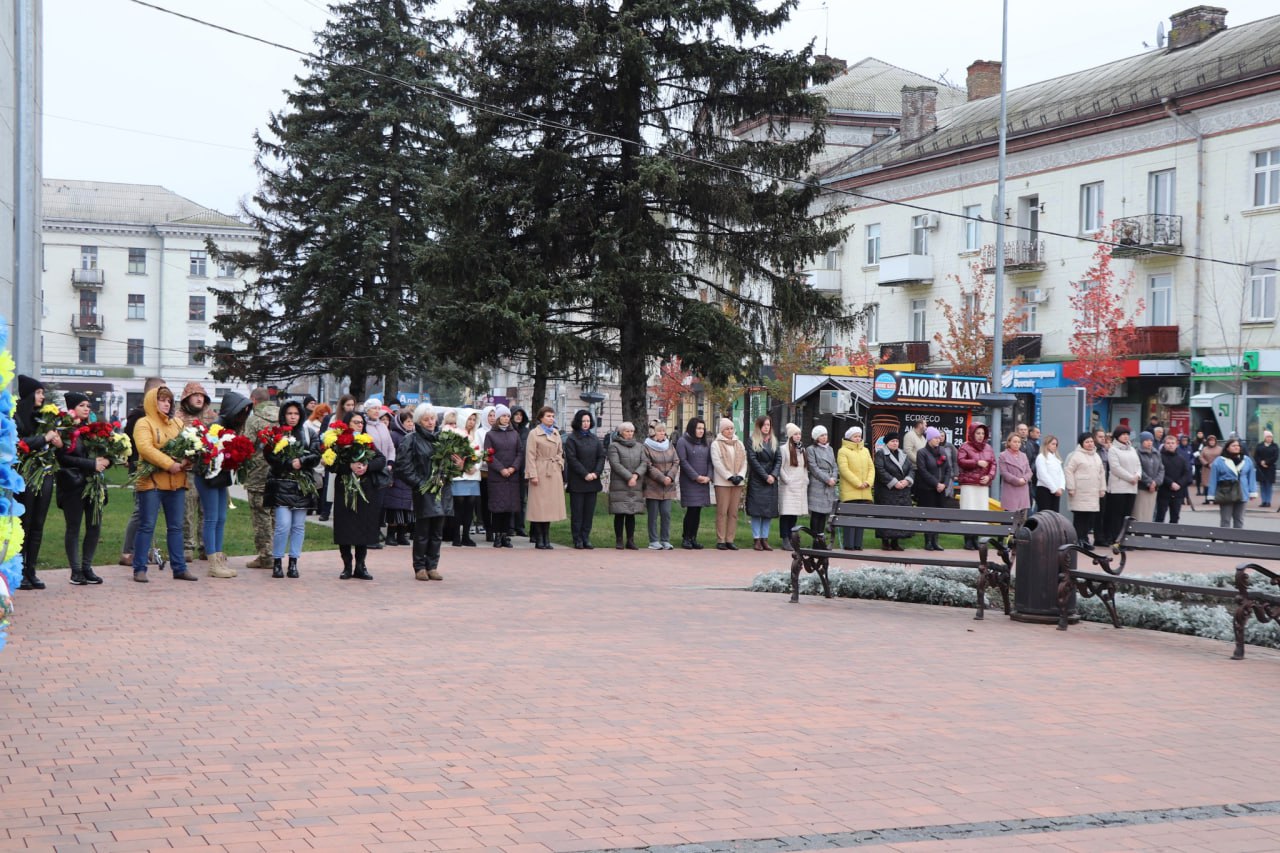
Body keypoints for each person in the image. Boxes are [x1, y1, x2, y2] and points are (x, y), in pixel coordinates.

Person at [131, 386, 197, 582]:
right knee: (147, 525)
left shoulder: (177, 423)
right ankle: (139, 568)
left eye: (169, 400)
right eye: (162, 400)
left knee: (176, 527)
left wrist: (187, 461)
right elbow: (145, 448)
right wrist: (169, 464)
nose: (167, 404)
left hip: (176, 483)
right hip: (151, 483)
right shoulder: (144, 423)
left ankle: (179, 568)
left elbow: (190, 445)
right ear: (153, 401)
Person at [55, 392, 111, 585]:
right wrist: (91, 464)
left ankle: (87, 567)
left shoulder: (94, 429)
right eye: (82, 405)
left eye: (88, 405)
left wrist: (107, 460)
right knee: (74, 527)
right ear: (72, 409)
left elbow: (107, 452)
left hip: (94, 484)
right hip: (73, 485)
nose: (87, 408)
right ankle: (75, 570)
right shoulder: (65, 429)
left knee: (94, 525)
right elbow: (62, 457)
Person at [395, 405, 456, 579]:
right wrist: (420, 484)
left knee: (437, 531)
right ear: (418, 421)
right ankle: (419, 567)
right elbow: (403, 466)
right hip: (424, 489)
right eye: (426, 419)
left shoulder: (443, 439)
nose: (430, 422)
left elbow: (451, 464)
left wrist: (457, 465)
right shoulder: (411, 439)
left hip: (442, 489)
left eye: (432, 418)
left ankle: (433, 566)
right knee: (423, 531)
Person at [264, 400, 321, 578]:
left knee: (298, 526)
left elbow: (316, 455)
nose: (292, 417)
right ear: (283, 415)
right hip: (282, 483)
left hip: (302, 486)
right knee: (282, 525)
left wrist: (302, 461)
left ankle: (294, 562)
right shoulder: (276, 434)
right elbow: (270, 456)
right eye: (289, 414)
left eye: (296, 414)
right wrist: (289, 463)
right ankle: (277, 561)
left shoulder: (309, 432)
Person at [15, 375, 62, 590]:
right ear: (30, 394)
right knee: (24, 523)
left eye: (43, 393)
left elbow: (54, 445)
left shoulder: (46, 418)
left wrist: (57, 441)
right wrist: (43, 438)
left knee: (38, 525)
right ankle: (20, 570)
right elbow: (19, 444)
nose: (42, 397)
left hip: (44, 475)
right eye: (39, 392)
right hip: (25, 477)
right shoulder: (16, 416)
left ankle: (32, 570)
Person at [198, 391, 251, 579]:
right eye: (241, 411)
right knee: (212, 518)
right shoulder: (216, 426)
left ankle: (218, 558)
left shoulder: (229, 426)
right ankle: (213, 563)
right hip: (209, 476)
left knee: (220, 517)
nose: (243, 416)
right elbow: (206, 452)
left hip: (220, 476)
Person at [118, 375, 167, 567]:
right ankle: (128, 551)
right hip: (141, 468)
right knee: (141, 510)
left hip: (157, 468)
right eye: (161, 391)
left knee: (150, 512)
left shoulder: (158, 416)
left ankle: (144, 549)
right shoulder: (138, 416)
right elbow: (133, 445)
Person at [331, 412, 387, 580]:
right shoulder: (337, 442)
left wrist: (366, 467)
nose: (360, 425)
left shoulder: (367, 442)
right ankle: (347, 566)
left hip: (365, 490)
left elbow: (381, 460)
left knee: (364, 528)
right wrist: (349, 466)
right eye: (356, 422)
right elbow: (331, 465)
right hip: (344, 490)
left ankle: (360, 566)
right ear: (347, 424)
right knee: (345, 529)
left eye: (362, 423)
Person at [240, 388, 279, 569]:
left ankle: (265, 555)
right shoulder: (283, 415)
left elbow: (246, 445)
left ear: (254, 400)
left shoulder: (254, 419)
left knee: (260, 514)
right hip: (279, 472)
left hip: (258, 473)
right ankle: (276, 553)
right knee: (275, 514)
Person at [177, 381, 214, 563]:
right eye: (195, 395)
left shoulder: (210, 416)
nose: (199, 399)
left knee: (206, 510)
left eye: (202, 396)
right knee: (187, 510)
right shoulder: (178, 417)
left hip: (207, 470)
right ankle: (187, 546)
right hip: (188, 470)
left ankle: (206, 546)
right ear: (186, 398)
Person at [524, 405, 567, 549]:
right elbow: (530, 456)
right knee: (538, 507)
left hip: (553, 472)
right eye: (548, 416)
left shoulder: (555, 433)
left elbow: (560, 452)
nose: (551, 419)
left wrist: (559, 464)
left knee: (549, 507)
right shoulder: (534, 434)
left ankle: (547, 537)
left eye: (553, 416)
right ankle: (538, 538)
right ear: (541, 418)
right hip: (540, 471)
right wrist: (532, 474)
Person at [564, 409, 605, 549]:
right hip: (578, 481)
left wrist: (596, 473)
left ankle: (586, 537)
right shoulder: (572, 439)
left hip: (593, 481)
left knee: (588, 513)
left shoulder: (594, 439)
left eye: (588, 421)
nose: (586, 424)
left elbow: (601, 456)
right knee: (577, 513)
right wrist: (585, 474)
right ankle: (577, 539)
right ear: (578, 422)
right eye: (583, 421)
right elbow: (572, 459)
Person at [483, 405, 523, 549]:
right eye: (503, 416)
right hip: (497, 477)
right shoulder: (491, 435)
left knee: (509, 507)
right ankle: (497, 535)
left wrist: (513, 468)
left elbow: (520, 453)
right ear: (498, 418)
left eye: (507, 416)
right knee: (497, 508)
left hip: (511, 476)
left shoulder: (515, 434)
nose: (506, 418)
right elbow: (488, 455)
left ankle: (506, 535)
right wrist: (501, 469)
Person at [606, 421, 647, 550]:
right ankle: (619, 540)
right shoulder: (614, 446)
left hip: (635, 483)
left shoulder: (640, 446)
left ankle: (630, 540)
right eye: (627, 431)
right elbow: (615, 464)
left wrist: (635, 475)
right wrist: (629, 477)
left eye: (631, 431)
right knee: (620, 513)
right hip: (620, 483)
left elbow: (644, 462)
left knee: (631, 512)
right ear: (621, 432)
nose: (630, 434)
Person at [446, 409, 482, 547]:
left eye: (474, 420)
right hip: (459, 475)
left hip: (473, 475)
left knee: (470, 506)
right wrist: (461, 465)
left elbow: (480, 453)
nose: (471, 422)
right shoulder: (454, 434)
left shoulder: (476, 435)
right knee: (458, 506)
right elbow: (451, 453)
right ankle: (456, 536)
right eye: (469, 419)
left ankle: (466, 535)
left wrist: (475, 467)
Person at [710, 418, 747, 550]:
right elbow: (717, 463)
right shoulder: (716, 444)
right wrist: (729, 476)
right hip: (723, 483)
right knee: (722, 512)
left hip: (738, 482)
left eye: (731, 428)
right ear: (722, 430)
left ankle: (730, 539)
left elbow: (744, 461)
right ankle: (721, 539)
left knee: (733, 512)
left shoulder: (739, 443)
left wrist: (740, 475)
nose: (730, 431)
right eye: (727, 429)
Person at [745, 415, 781, 551]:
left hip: (771, 480)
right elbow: (753, 460)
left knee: (768, 512)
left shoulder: (774, 441)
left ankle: (765, 539)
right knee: (757, 511)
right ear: (759, 426)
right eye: (765, 425)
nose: (767, 427)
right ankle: (757, 539)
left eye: (769, 425)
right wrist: (765, 476)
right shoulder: (752, 440)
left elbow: (778, 459)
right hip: (758, 480)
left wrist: (773, 475)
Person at [873, 432, 914, 551]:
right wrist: (894, 482)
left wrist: (907, 481)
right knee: (887, 516)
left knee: (899, 516)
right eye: (892, 441)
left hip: (902, 492)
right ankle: (885, 541)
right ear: (887, 443)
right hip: (887, 491)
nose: (895, 443)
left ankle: (895, 541)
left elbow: (911, 469)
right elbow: (880, 470)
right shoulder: (881, 454)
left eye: (896, 441)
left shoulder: (903, 454)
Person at [642, 420, 679, 550]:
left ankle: (665, 540)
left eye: (663, 431)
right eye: (659, 431)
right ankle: (653, 540)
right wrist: (662, 477)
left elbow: (676, 461)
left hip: (668, 486)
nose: (662, 433)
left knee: (666, 513)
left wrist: (670, 476)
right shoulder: (647, 446)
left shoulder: (669, 445)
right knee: (653, 515)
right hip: (653, 485)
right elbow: (648, 465)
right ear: (654, 433)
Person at [957, 423, 996, 549]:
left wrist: (989, 477)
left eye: (982, 433)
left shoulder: (989, 448)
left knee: (980, 511)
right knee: (969, 510)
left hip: (982, 485)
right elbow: (961, 461)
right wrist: (976, 462)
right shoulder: (965, 446)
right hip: (969, 484)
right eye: (978, 433)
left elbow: (993, 464)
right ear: (972, 433)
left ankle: (978, 539)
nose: (980, 436)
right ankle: (968, 539)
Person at [675, 417, 712, 549]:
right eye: (698, 428)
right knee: (691, 510)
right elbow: (683, 461)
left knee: (698, 510)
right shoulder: (682, 441)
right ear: (692, 428)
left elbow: (709, 461)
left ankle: (693, 538)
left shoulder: (705, 443)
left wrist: (708, 476)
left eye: (703, 428)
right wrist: (696, 477)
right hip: (690, 482)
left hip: (703, 481)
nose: (701, 431)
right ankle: (686, 538)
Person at [1065, 432, 1106, 548]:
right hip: (1080, 492)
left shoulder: (1096, 455)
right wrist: (1071, 487)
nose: (1090, 444)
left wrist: (1102, 488)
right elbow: (1068, 471)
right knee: (1080, 518)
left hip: (1093, 492)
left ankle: (1085, 539)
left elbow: (1101, 473)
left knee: (1089, 518)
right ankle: (1077, 540)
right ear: (1081, 443)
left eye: (1091, 441)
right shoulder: (1076, 455)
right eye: (1087, 442)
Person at [1207, 436, 1257, 529]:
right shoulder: (1219, 461)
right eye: (1233, 445)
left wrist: (1252, 492)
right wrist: (1211, 495)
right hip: (1226, 493)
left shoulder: (1246, 460)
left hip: (1243, 492)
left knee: (1239, 519)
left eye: (1238, 445)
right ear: (1227, 447)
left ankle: (1237, 542)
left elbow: (1251, 477)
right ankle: (1226, 542)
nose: (1236, 447)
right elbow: (1213, 479)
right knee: (1225, 520)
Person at [1102, 426, 1140, 546]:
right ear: (1117, 436)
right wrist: (1130, 477)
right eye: (1123, 434)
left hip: (1132, 487)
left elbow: (1138, 464)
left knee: (1127, 515)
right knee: (1117, 515)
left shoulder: (1132, 449)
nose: (1125, 436)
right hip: (1118, 487)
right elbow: (1115, 468)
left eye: (1127, 434)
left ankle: (1126, 538)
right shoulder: (1113, 450)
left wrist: (1138, 475)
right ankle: (1117, 539)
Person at [382, 409, 416, 546]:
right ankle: (391, 535)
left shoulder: (413, 435)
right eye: (408, 421)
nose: (410, 424)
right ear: (400, 422)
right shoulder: (394, 436)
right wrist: (390, 476)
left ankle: (402, 534)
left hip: (409, 477)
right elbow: (391, 455)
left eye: (412, 421)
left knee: (406, 508)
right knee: (394, 507)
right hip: (397, 476)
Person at [836, 426, 874, 550]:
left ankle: (858, 544)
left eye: (859, 436)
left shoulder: (865, 451)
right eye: (855, 436)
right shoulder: (843, 451)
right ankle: (849, 544)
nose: (858, 438)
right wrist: (858, 483)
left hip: (864, 491)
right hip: (850, 491)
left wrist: (868, 482)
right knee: (850, 519)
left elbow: (871, 468)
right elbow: (844, 470)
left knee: (861, 520)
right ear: (849, 437)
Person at [913, 427, 950, 551]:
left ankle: (935, 541)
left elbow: (948, 469)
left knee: (937, 515)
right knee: (929, 515)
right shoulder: (922, 453)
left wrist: (944, 484)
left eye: (939, 438)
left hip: (940, 489)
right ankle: (928, 541)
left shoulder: (942, 451)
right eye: (936, 438)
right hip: (927, 489)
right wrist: (936, 484)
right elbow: (923, 471)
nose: (938, 440)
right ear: (929, 439)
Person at [777, 423, 808, 551]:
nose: (798, 436)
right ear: (790, 435)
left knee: (794, 514)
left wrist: (806, 480)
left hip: (799, 486)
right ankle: (785, 538)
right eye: (795, 434)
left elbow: (804, 467)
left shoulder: (802, 449)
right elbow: (780, 466)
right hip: (788, 486)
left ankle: (792, 537)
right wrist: (786, 479)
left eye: (799, 434)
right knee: (786, 514)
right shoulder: (784, 449)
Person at [805, 425, 838, 544]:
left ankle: (821, 536)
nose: (824, 437)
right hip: (818, 483)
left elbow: (834, 465)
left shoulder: (830, 449)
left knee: (824, 512)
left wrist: (834, 478)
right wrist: (827, 479)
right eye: (821, 435)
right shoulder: (811, 449)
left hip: (829, 483)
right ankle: (815, 538)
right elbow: (813, 468)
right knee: (816, 513)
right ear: (816, 438)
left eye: (825, 435)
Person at [1156, 433, 1193, 524]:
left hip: (1178, 492)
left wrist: (1179, 484)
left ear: (1176, 444)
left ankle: (1172, 536)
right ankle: (1156, 535)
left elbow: (1187, 474)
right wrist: (1170, 483)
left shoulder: (1181, 458)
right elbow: (1159, 473)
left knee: (1175, 517)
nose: (1170, 445)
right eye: (1168, 443)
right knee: (1160, 516)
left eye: (1172, 443)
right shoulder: (1159, 457)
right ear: (1164, 444)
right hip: (1164, 491)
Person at [998, 433, 1032, 514]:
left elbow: (1029, 471)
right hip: (1010, 489)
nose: (1017, 444)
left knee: (1022, 517)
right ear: (1009, 442)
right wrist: (1017, 480)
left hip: (1023, 489)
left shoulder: (1023, 455)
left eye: (1019, 442)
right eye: (1015, 442)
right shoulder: (1003, 455)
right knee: (1010, 517)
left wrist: (1024, 479)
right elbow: (1004, 473)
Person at [510, 406, 531, 536]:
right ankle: (510, 527)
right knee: (511, 498)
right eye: (516, 414)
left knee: (522, 499)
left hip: (523, 468)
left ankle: (520, 526)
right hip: (511, 468)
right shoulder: (508, 430)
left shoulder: (527, 432)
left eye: (521, 415)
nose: (518, 417)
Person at [1134, 431, 1164, 524]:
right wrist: (1149, 482)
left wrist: (1156, 482)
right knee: (1140, 512)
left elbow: (1161, 469)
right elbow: (1138, 469)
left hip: (1154, 488)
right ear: (1142, 441)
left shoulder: (1156, 453)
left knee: (1150, 512)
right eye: (1146, 440)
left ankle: (1146, 530)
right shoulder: (1137, 452)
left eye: (1151, 440)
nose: (1149, 442)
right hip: (1142, 487)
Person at [1034, 436, 1065, 513]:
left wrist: (1061, 487)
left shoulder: (1056, 458)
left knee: (1055, 514)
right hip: (1044, 490)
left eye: (1056, 444)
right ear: (1047, 444)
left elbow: (1061, 474)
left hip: (1056, 491)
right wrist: (1054, 489)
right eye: (1053, 444)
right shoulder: (1041, 457)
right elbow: (1043, 475)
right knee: (1045, 515)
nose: (1055, 446)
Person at [1254, 430, 1278, 508]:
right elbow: (1256, 455)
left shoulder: (1275, 446)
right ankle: (1263, 501)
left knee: (1268, 485)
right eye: (1268, 437)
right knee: (1262, 485)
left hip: (1270, 468)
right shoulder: (1259, 445)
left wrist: (1266, 462)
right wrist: (1261, 462)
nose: (1269, 438)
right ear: (1265, 437)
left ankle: (1268, 501)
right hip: (1261, 468)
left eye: (1271, 437)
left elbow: (1275, 457)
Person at [1197, 435, 1221, 501]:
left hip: (1217, 468)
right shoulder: (1205, 449)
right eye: (1210, 441)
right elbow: (1201, 457)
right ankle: (1207, 499)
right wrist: (1207, 464)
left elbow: (1222, 457)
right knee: (1206, 483)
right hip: (1207, 468)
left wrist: (1216, 464)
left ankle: (1216, 498)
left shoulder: (1220, 449)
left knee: (1216, 483)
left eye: (1213, 441)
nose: (1212, 442)